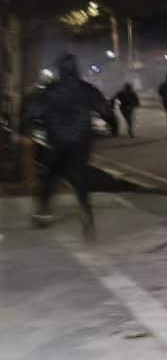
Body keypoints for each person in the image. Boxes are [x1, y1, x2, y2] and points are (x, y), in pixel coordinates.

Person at [16, 53, 113, 239]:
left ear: (60, 70)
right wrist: (109, 122)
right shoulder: (87, 89)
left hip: (58, 142)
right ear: (75, 69)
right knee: (81, 179)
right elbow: (105, 110)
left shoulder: (50, 91)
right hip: (81, 142)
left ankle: (43, 214)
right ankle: (87, 216)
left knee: (51, 177)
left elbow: (32, 112)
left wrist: (22, 131)